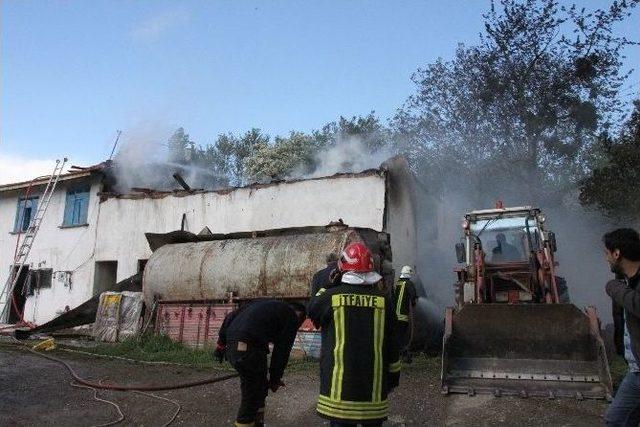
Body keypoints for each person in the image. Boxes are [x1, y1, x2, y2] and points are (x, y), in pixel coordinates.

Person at [309, 242, 400, 427]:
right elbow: (393, 343)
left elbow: (312, 309)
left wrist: (327, 285)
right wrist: (393, 378)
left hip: (339, 397)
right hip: (373, 395)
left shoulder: (331, 297)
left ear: (342, 269)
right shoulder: (384, 301)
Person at [215, 300, 306, 427]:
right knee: (252, 395)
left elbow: (230, 317)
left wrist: (220, 344)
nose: (297, 327)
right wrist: (275, 379)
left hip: (235, 345)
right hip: (249, 348)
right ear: (300, 315)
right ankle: (245, 423)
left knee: (259, 387)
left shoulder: (263, 305)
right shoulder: (291, 316)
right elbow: (281, 352)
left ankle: (258, 423)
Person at [603, 228, 640, 426]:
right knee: (616, 420)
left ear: (617, 253)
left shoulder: (621, 286)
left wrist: (614, 288)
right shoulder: (625, 281)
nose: (606, 259)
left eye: (607, 253)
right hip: (635, 369)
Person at [394, 265, 418, 363]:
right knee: (402, 337)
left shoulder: (398, 283)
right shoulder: (408, 283)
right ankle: (403, 354)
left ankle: (399, 353)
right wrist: (414, 302)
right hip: (402, 316)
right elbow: (413, 296)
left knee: (397, 336)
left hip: (395, 315)